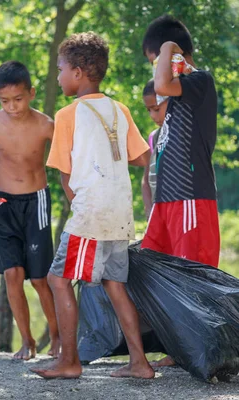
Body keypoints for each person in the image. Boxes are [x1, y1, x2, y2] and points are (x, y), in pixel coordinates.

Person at [32, 32, 154, 380]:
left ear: (79, 72)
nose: (57, 76)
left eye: (60, 69)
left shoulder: (68, 114)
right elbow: (143, 158)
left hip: (90, 215)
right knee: (114, 284)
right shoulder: (120, 109)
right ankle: (140, 363)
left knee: (58, 279)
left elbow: (65, 176)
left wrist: (80, 211)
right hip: (120, 214)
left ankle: (69, 360)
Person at [141, 14, 220, 368]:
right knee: (157, 272)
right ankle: (176, 348)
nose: (155, 69)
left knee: (192, 276)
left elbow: (162, 83)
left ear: (173, 57)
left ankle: (203, 351)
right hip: (166, 203)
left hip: (190, 199)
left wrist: (168, 49)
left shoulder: (199, 81)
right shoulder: (175, 101)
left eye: (155, 61)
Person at [0, 61, 59, 360]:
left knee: (39, 279)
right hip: (1, 202)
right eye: (5, 100)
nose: (12, 106)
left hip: (36, 201)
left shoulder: (46, 124)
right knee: (12, 274)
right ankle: (27, 342)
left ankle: (57, 335)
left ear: (32, 93)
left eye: (19, 99)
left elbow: (67, 159)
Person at [141, 80, 168, 217]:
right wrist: (149, 210)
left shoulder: (182, 135)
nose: (152, 115)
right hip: (157, 215)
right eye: (149, 110)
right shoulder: (154, 138)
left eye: (156, 109)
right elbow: (146, 180)